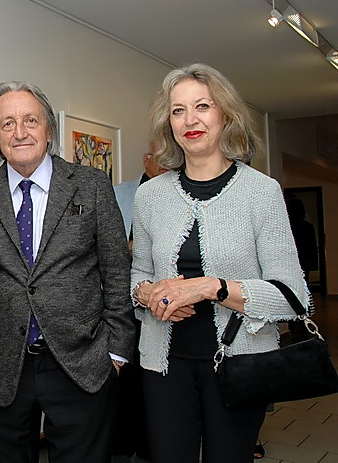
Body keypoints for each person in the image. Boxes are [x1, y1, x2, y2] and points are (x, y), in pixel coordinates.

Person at [130, 63, 311, 463]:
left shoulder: (261, 192)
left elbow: (293, 296)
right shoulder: (150, 196)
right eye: (178, 111)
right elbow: (138, 273)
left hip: (240, 364)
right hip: (163, 364)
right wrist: (148, 294)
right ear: (168, 123)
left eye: (202, 106)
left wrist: (210, 287)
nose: (190, 120)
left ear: (225, 115)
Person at [0, 81, 135, 463]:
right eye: (7, 123)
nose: (20, 132)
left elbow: (116, 270)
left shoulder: (90, 185)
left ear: (49, 130)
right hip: (1, 368)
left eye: (30, 120)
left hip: (82, 363)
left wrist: (117, 352)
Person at [111, 144, 166, 463]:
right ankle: (121, 447)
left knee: (154, 381)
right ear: (146, 160)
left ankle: (150, 447)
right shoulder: (119, 193)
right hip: (121, 302)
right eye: (161, 156)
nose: (168, 161)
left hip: (163, 305)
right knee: (123, 378)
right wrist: (128, 247)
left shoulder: (176, 194)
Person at [113, 144, 167, 242]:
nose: (166, 162)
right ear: (146, 160)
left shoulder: (182, 194)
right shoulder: (117, 193)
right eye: (159, 157)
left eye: (170, 157)